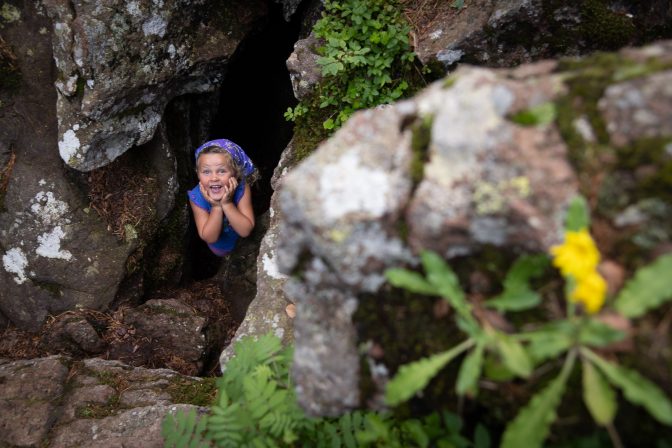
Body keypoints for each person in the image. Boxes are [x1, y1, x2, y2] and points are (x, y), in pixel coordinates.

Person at [187, 139, 257, 256]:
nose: (214, 178)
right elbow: (210, 238)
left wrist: (227, 204)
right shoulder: (196, 196)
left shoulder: (242, 188)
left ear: (235, 173)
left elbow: (245, 231)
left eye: (221, 171)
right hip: (221, 248)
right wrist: (216, 207)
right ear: (198, 173)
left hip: (244, 242)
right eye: (206, 172)